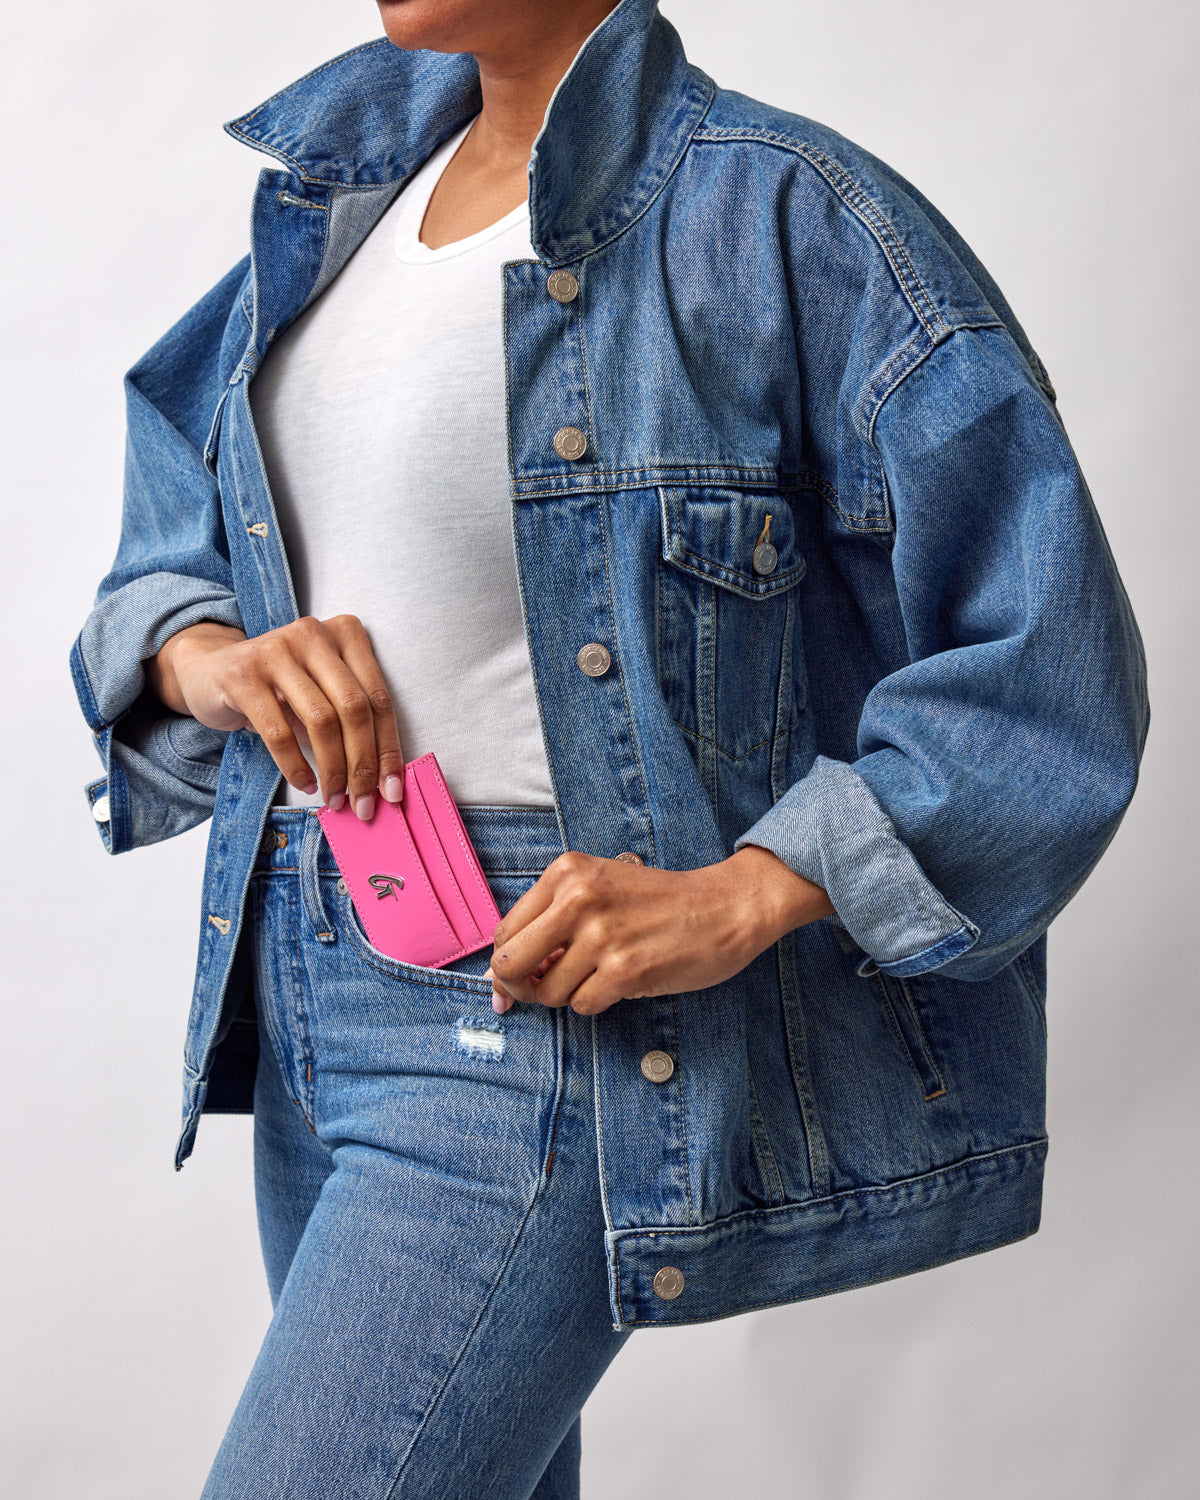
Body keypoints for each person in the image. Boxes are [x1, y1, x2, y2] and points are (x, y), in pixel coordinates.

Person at [69, 0, 1150, 1494]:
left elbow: (1048, 661)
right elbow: (164, 555)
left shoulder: (781, 210)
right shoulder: (339, 209)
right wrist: (209, 660)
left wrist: (759, 884)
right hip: (307, 968)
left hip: (529, 1006)